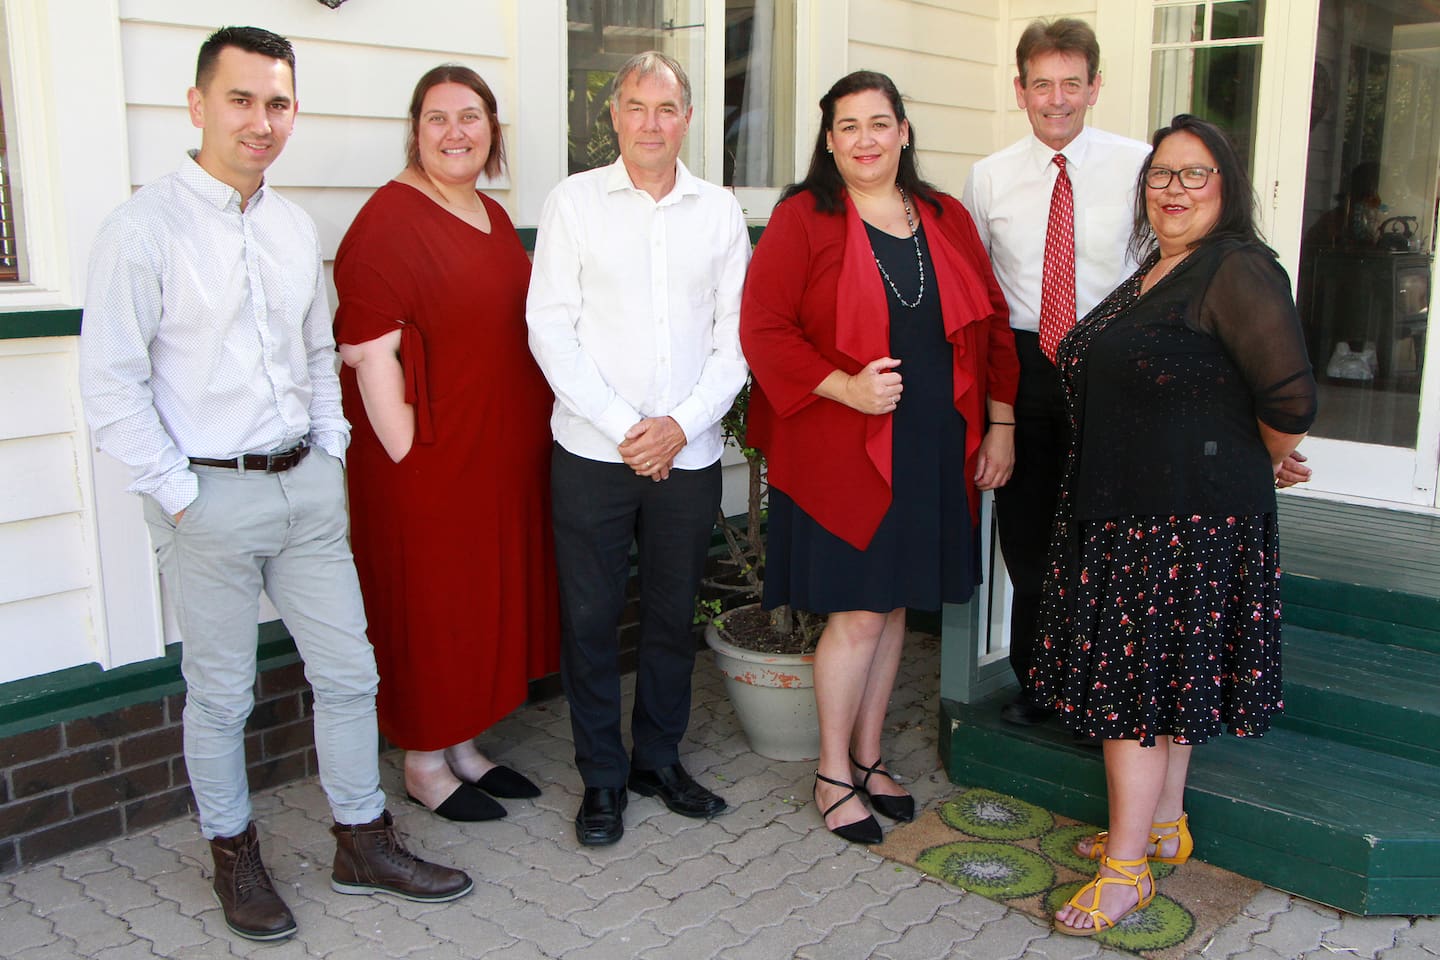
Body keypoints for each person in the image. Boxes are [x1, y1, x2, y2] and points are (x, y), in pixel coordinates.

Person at [79, 26, 472, 943]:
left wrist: (329, 454)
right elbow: (111, 385)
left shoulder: (294, 227)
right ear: (198, 104)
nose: (262, 121)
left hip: (305, 489)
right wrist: (181, 493)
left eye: (278, 103)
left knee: (349, 674)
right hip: (208, 498)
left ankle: (361, 840)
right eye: (242, 99)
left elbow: (312, 350)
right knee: (221, 695)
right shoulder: (142, 229)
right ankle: (233, 855)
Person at [1030, 114, 1318, 935]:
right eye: (1161, 175)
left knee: (1135, 694)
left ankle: (1127, 873)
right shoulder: (1162, 269)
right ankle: (1161, 827)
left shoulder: (1236, 267)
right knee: (1164, 685)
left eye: (1194, 175)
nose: (1174, 190)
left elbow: (1290, 397)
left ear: (1225, 187)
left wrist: (1259, 454)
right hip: (1137, 508)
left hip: (1183, 518)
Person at [742, 71, 1020, 845]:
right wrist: (845, 388)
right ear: (829, 141)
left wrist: (1001, 424)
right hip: (842, 446)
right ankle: (832, 772)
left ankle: (868, 758)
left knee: (895, 604)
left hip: (932, 443)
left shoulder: (944, 215)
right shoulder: (802, 218)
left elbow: (992, 327)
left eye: (879, 123)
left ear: (903, 131)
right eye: (848, 126)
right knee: (859, 612)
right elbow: (763, 331)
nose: (865, 139)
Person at [526, 51, 750, 847]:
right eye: (635, 106)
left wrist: (679, 427)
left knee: (667, 616)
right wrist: (630, 427)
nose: (651, 122)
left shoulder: (718, 211)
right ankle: (602, 778)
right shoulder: (575, 204)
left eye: (666, 108)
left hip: (685, 458)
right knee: (589, 619)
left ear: (688, 118)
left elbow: (736, 339)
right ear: (613, 115)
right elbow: (548, 326)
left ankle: (657, 758)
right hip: (593, 452)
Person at [333, 65, 560, 823]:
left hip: (496, 455)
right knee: (432, 607)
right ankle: (424, 763)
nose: (456, 132)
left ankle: (463, 746)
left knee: (477, 602)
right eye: (438, 118)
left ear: (492, 130)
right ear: (415, 129)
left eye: (471, 117)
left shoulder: (491, 216)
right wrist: (412, 461)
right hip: (429, 463)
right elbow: (369, 354)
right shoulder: (386, 222)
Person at [962, 18, 1153, 727]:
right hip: (1026, 369)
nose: (1057, 99)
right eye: (1042, 84)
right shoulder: (988, 177)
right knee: (1031, 533)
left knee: (1109, 533)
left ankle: (1106, 685)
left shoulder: (1141, 167)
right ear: (1019, 90)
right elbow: (981, 299)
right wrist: (998, 416)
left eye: (1072, 83)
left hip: (1113, 365)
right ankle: (1039, 682)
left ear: (1095, 86)